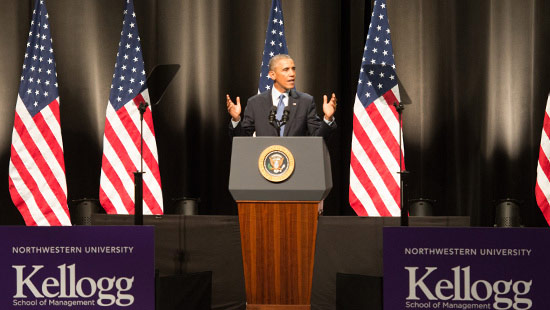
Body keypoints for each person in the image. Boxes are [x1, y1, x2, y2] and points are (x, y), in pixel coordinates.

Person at [226, 54, 337, 138]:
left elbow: (318, 138)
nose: (292, 74)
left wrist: (328, 118)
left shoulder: (305, 101)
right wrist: (236, 119)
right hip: (265, 164)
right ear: (272, 75)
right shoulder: (255, 103)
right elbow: (243, 139)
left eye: (293, 69)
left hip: (296, 163)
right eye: (286, 69)